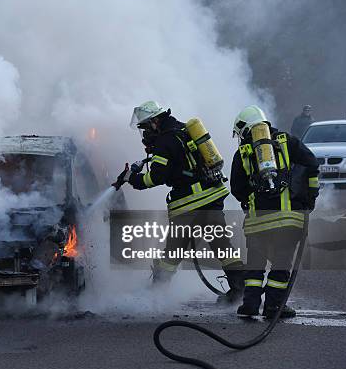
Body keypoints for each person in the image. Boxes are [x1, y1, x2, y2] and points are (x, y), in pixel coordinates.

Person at [113, 100, 244, 303]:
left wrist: (132, 178)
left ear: (156, 120)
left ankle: (156, 293)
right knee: (221, 245)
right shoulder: (184, 130)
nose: (145, 134)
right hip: (212, 197)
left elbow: (155, 177)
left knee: (172, 252)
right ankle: (239, 291)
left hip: (189, 205)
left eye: (146, 128)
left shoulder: (164, 142)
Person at [231, 105, 319, 318]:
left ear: (245, 128)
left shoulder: (243, 152)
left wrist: (250, 199)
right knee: (281, 263)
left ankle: (250, 305)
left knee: (255, 264)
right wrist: (309, 198)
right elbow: (311, 164)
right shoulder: (288, 141)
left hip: (257, 221)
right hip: (288, 219)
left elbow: (237, 188)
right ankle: (274, 307)